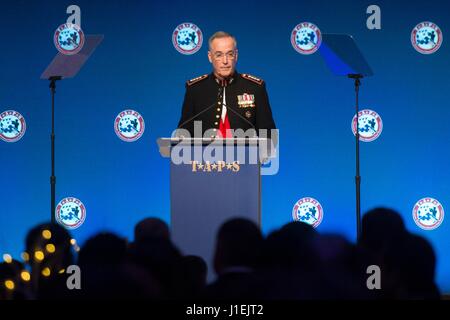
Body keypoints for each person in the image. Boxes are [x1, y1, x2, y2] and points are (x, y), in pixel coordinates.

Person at [177, 31, 276, 139]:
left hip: (245, 155)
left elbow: (269, 135)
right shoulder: (195, 89)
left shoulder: (255, 87)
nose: (225, 61)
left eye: (230, 54)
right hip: (204, 155)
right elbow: (183, 133)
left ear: (236, 56)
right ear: (210, 57)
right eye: (218, 55)